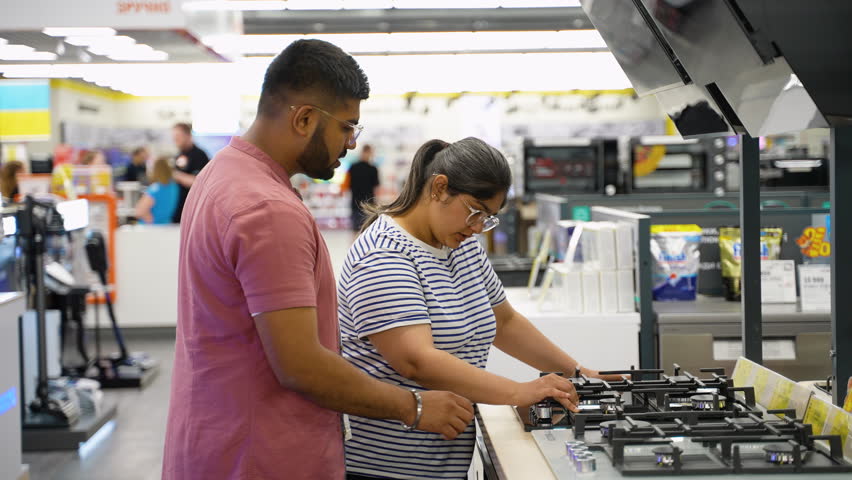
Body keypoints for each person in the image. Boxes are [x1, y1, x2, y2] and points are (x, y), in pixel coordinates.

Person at [162, 39, 474, 480]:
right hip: (262, 456)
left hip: (214, 440)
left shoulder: (221, 173)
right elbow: (300, 364)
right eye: (347, 126)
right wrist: (415, 405)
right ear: (305, 118)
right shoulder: (266, 209)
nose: (350, 141)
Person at [339, 138, 620, 480]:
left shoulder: (461, 246)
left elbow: (505, 322)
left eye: (487, 218)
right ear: (439, 188)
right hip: (388, 466)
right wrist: (518, 391)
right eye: (475, 211)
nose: (477, 228)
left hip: (444, 460)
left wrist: (576, 372)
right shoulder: (383, 255)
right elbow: (416, 360)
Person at [170, 122, 210, 223]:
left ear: (188, 135)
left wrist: (175, 175)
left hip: (193, 211)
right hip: (179, 209)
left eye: (178, 136)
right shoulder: (179, 155)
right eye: (174, 136)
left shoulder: (199, 155)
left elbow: (198, 183)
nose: (175, 139)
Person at [133, 156, 178, 224]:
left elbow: (139, 212)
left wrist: (150, 220)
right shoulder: (174, 186)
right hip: (166, 225)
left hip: (151, 228)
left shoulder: (155, 188)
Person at [347, 144, 380, 231]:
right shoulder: (373, 169)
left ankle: (354, 244)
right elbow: (376, 188)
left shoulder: (353, 167)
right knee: (368, 230)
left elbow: (348, 186)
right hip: (368, 203)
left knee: (356, 230)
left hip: (357, 202)